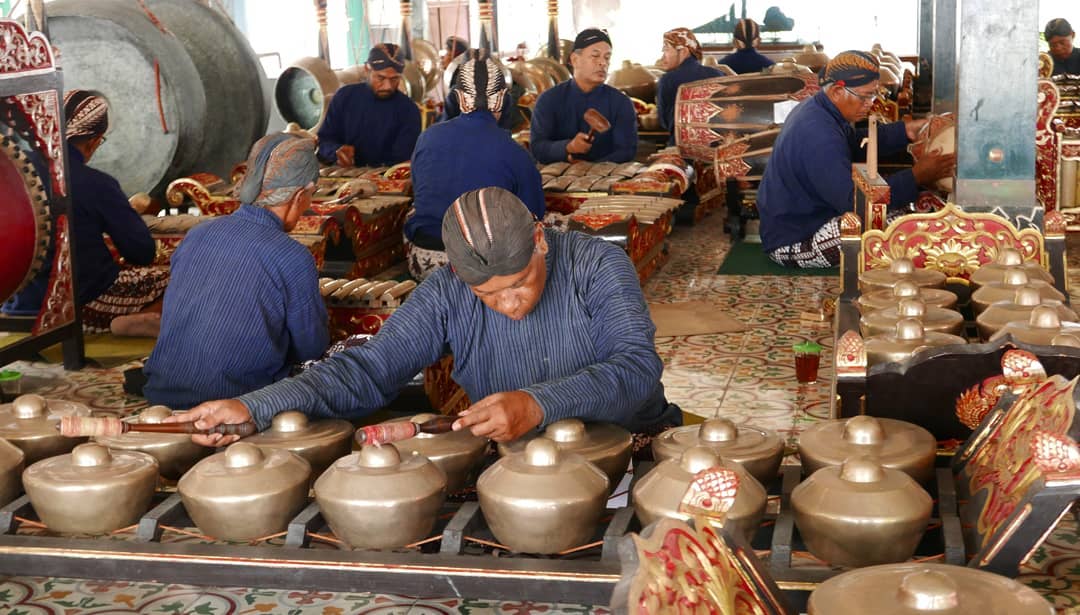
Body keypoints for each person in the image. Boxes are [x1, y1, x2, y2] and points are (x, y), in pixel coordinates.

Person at [165, 186, 681, 448]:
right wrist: (254, 405)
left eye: (519, 282)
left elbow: (636, 368)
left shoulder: (598, 265)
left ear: (540, 240)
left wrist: (537, 403)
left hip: (626, 446)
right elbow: (369, 369)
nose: (510, 305)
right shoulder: (446, 291)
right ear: (458, 274)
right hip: (520, 460)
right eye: (487, 294)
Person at [143, 134, 330, 409]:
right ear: (300, 195)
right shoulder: (293, 256)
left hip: (162, 394)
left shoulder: (197, 235)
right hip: (236, 404)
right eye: (310, 197)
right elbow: (312, 348)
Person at [757, 50, 956, 268]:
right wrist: (916, 176)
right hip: (797, 239)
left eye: (874, 95)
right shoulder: (817, 133)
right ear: (837, 91)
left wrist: (904, 131)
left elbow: (851, 142)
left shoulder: (820, 109)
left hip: (816, 217)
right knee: (907, 229)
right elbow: (853, 202)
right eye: (865, 96)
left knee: (918, 208)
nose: (871, 103)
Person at [2, 90, 164, 335]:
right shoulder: (97, 183)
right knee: (180, 276)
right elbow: (142, 252)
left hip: (18, 303)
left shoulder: (16, 172)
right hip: (82, 303)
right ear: (93, 141)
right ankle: (132, 320)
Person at [406, 50, 545, 280]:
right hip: (481, 268)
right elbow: (534, 214)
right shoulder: (514, 152)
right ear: (501, 99)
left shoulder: (427, 137)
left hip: (424, 259)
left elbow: (419, 189)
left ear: (460, 99)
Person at [530, 28, 638, 164]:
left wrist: (591, 168)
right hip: (559, 174)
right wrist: (567, 147)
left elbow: (626, 150)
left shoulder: (621, 102)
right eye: (595, 56)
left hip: (606, 174)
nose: (603, 63)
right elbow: (538, 148)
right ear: (575, 60)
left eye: (607, 57)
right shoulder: (549, 99)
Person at [316, 43, 421, 168]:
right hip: (343, 175)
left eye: (394, 79)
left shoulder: (408, 110)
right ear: (367, 69)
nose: (388, 86)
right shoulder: (344, 97)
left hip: (386, 177)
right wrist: (336, 151)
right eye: (381, 78)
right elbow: (324, 141)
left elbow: (403, 159)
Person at [657, 27, 724, 146]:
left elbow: (664, 122)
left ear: (683, 52)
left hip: (681, 148)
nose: (663, 56)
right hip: (715, 147)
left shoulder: (668, 80)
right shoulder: (718, 74)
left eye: (666, 49)